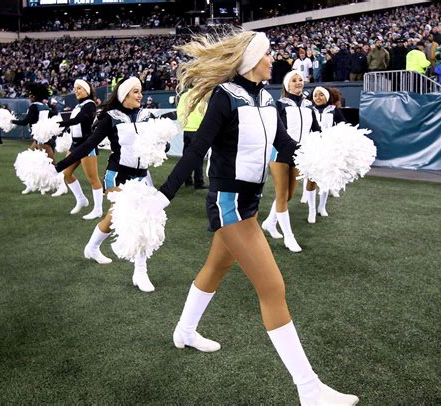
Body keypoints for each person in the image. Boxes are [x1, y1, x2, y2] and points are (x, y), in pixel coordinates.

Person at [150, 30, 359, 406]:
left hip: (249, 202)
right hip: (227, 202)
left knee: (214, 269)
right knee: (272, 287)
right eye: (266, 56)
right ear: (250, 62)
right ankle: (309, 390)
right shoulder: (224, 97)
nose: (271, 61)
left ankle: (184, 330)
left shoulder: (267, 99)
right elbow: (196, 150)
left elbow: (285, 144)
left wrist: (321, 159)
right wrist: (163, 195)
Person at [55, 77, 156, 293]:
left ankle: (92, 247)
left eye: (141, 91)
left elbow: (155, 143)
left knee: (113, 219)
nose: (140, 95)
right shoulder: (111, 117)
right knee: (137, 219)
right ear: (124, 95)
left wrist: (161, 147)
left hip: (142, 176)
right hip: (118, 175)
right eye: (136, 91)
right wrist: (59, 166)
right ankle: (140, 271)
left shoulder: (146, 115)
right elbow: (89, 144)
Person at [261, 70, 321, 253]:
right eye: (294, 80)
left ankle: (270, 223)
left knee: (289, 195)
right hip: (279, 154)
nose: (298, 83)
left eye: (300, 80)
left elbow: (316, 130)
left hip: (300, 155)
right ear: (287, 85)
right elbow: (273, 130)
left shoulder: (309, 106)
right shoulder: (279, 105)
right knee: (281, 194)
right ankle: (289, 237)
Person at [53, 79, 104, 220]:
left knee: (92, 178)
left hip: (87, 144)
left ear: (87, 90)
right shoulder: (79, 105)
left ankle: (98, 209)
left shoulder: (90, 104)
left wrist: (64, 123)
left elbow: (80, 119)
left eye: (79, 88)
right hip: (75, 145)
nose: (76, 91)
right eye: (75, 88)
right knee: (67, 173)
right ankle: (81, 200)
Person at [300, 87, 346, 223]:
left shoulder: (334, 110)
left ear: (327, 97)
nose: (318, 98)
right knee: (311, 178)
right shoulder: (308, 110)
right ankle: (311, 210)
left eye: (321, 95)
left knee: (326, 179)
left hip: (328, 147)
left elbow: (344, 126)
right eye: (315, 95)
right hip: (312, 146)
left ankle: (322, 206)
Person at [11, 82, 56, 194]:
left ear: (35, 95)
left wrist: (12, 121)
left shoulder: (34, 106)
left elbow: (26, 121)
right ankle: (30, 185)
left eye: (31, 94)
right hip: (43, 137)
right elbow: (53, 114)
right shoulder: (44, 106)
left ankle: (62, 185)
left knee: (52, 164)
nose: (29, 96)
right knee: (30, 161)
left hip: (42, 139)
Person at [176, 90, 207, 189]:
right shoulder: (201, 96)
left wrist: (183, 125)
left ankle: (187, 180)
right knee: (198, 157)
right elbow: (205, 113)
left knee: (187, 157)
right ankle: (199, 182)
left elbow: (180, 111)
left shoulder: (184, 96)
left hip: (187, 130)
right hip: (198, 130)